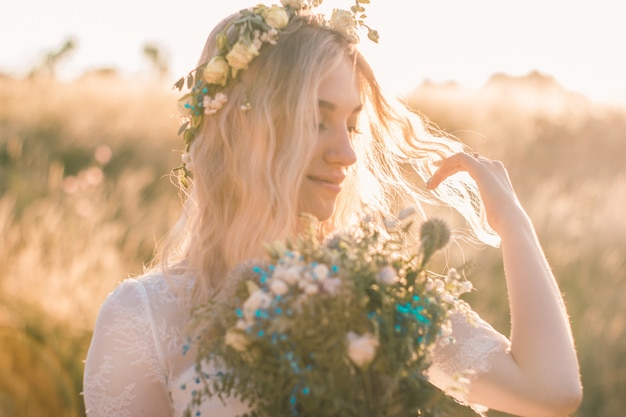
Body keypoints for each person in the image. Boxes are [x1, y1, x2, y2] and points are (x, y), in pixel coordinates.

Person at [83, 2, 582, 416]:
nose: (345, 152)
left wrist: (513, 224)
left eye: (352, 126)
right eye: (317, 121)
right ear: (246, 130)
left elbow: (548, 392)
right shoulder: (143, 319)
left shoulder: (378, 291)